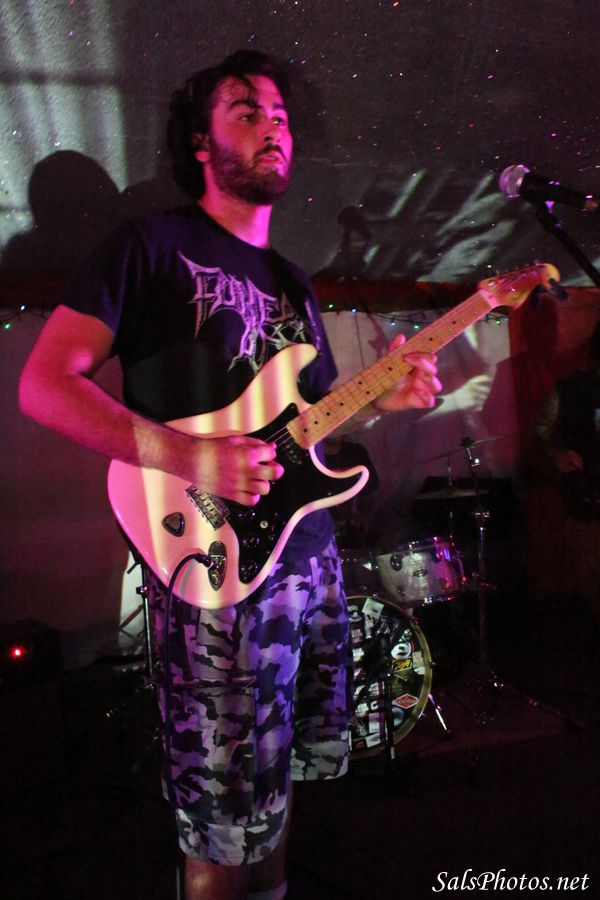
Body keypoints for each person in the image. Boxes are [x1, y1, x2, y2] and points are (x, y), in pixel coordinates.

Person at [18, 50, 441, 900]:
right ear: (200, 142)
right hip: (212, 569)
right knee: (219, 817)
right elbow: (44, 386)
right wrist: (190, 456)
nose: (272, 124)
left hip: (307, 563)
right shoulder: (147, 246)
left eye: (279, 114)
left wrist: (385, 401)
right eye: (246, 110)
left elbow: (309, 428)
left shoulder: (292, 283)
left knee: (278, 798)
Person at [533, 319, 600, 625]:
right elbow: (540, 432)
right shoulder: (571, 388)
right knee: (591, 578)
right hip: (587, 499)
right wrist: (556, 454)